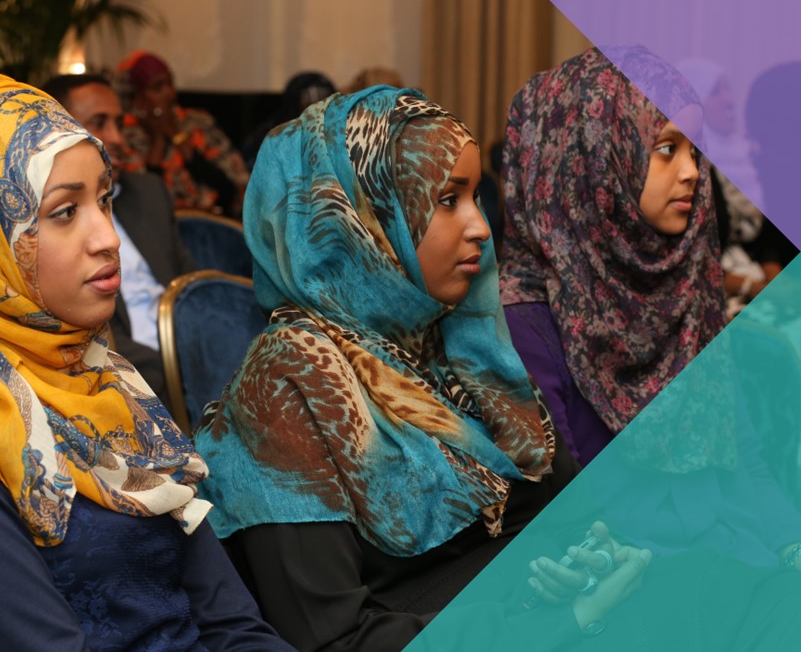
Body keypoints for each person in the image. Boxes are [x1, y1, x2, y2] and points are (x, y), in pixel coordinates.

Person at [193, 86, 627, 651]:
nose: (479, 227)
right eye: (447, 200)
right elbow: (332, 639)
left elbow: (570, 512)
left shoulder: (457, 338)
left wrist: (592, 558)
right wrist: (547, 625)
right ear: (359, 221)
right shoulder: (289, 385)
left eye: (475, 197)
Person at [0, 75, 296, 652]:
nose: (107, 237)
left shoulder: (110, 382)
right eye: (64, 212)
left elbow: (232, 620)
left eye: (104, 200)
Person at [499, 46, 726, 465]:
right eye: (665, 149)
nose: (691, 171)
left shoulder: (687, 284)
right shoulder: (525, 324)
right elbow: (561, 510)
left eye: (694, 150)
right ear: (592, 158)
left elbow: (745, 460)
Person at [42, 73, 194, 413]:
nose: (116, 137)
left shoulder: (149, 192)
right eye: (99, 123)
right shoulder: (39, 215)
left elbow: (188, 283)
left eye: (118, 123)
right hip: (128, 357)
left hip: (184, 339)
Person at [676, 58, 796, 317]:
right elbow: (692, 262)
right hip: (716, 291)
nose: (729, 100)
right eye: (716, 92)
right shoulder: (690, 167)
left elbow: (766, 238)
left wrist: (777, 281)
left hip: (751, 274)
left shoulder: (745, 156)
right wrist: (755, 287)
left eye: (729, 90)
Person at [116, 50, 250, 217]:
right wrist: (158, 140)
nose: (169, 93)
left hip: (213, 219)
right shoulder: (124, 134)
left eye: (170, 84)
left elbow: (229, 187)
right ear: (138, 97)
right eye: (157, 87)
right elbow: (142, 199)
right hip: (158, 224)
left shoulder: (197, 122)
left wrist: (176, 134)